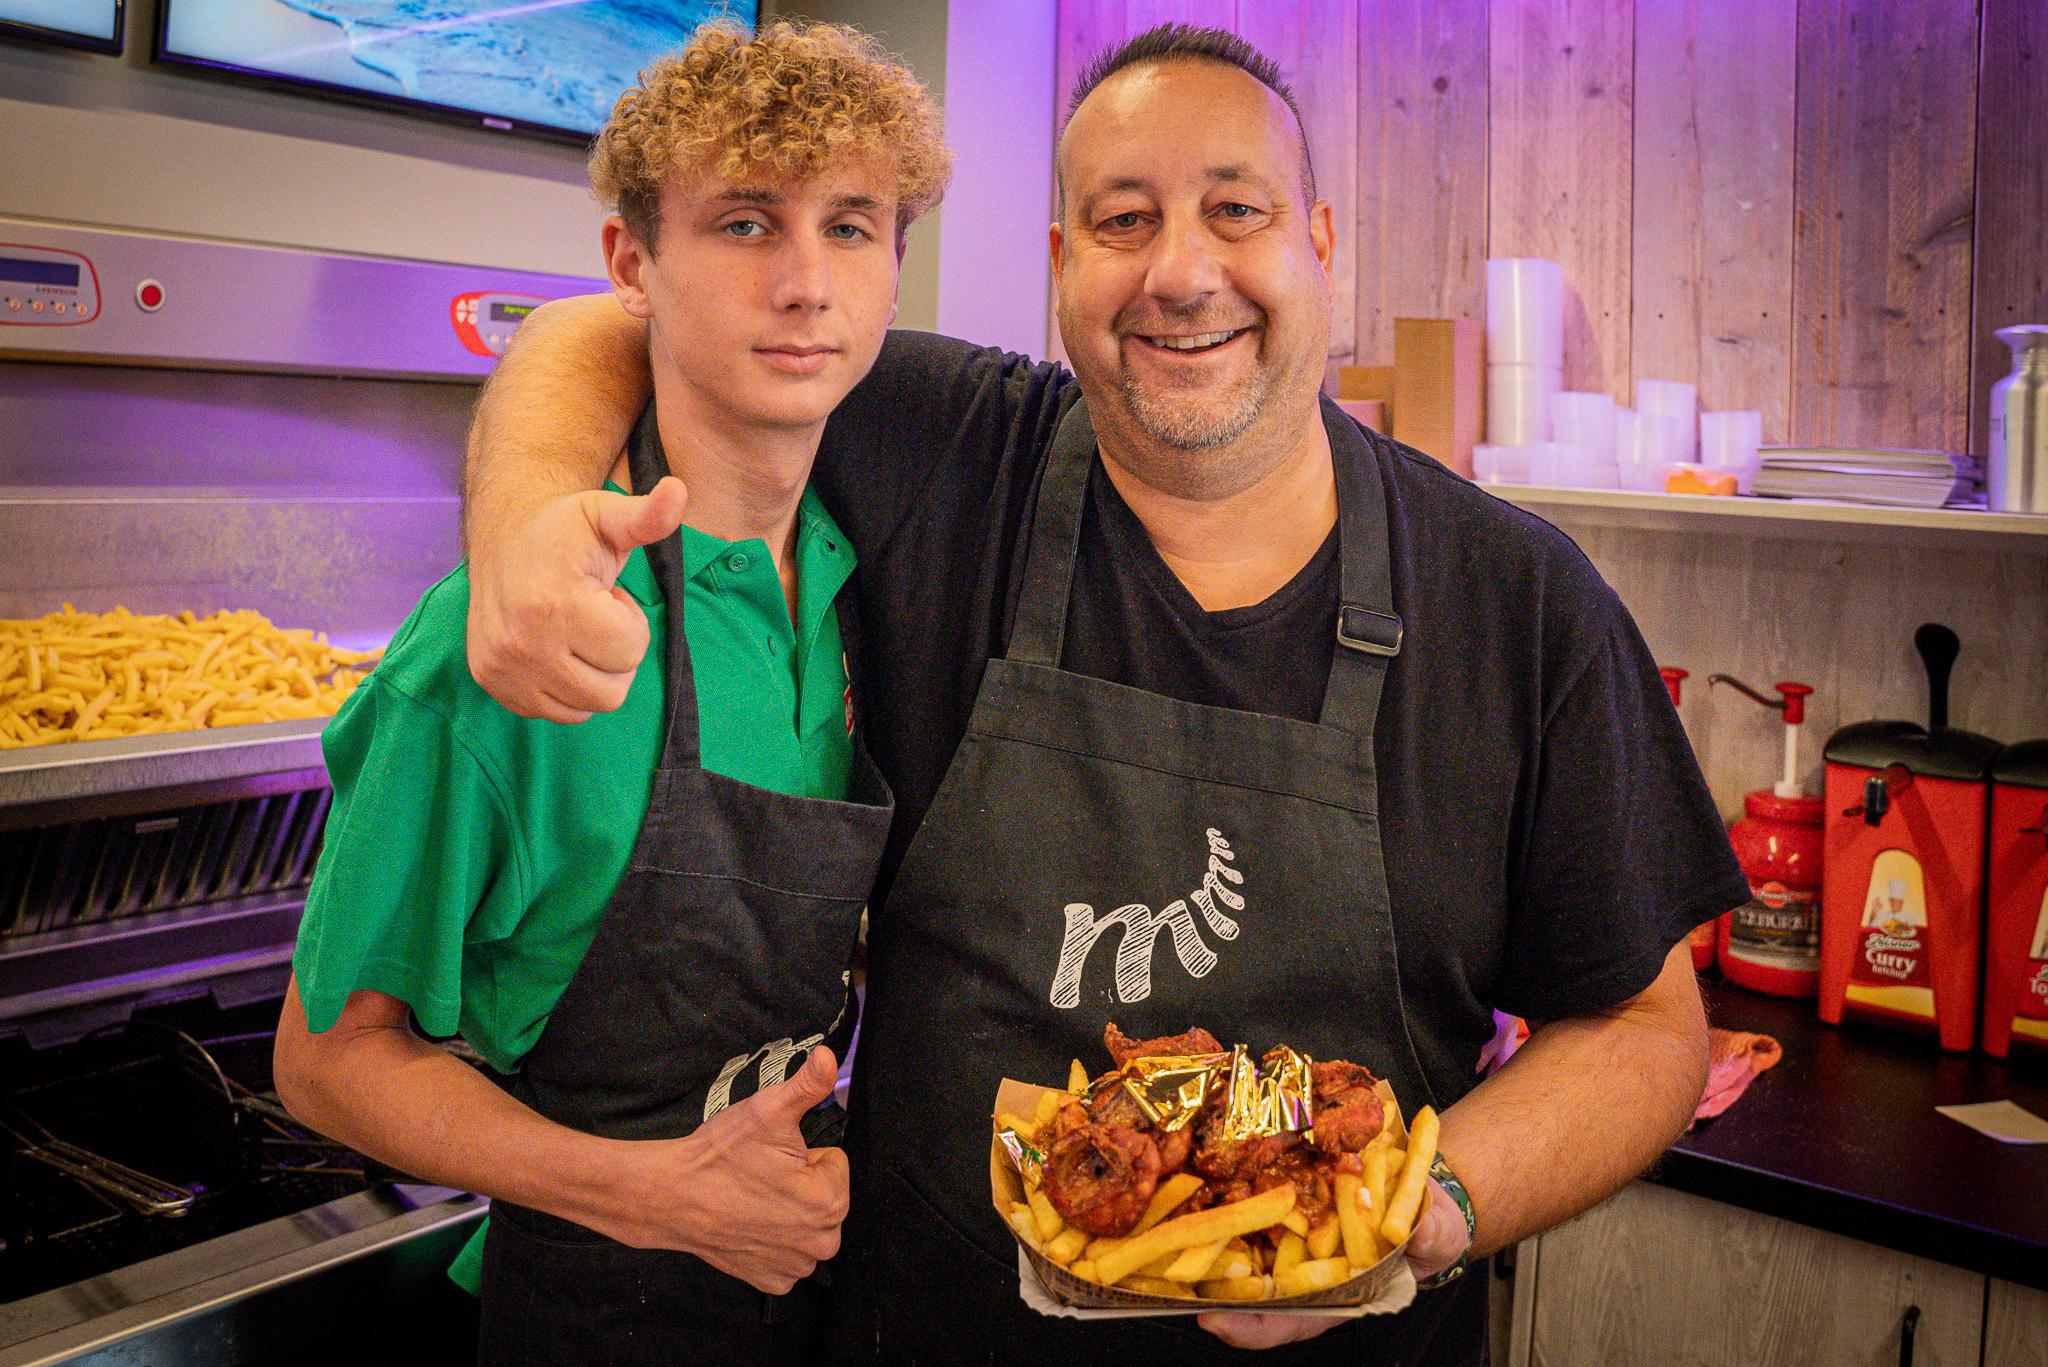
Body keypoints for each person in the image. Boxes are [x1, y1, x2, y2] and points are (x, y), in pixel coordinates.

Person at [458, 23, 1750, 1362]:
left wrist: (1429, 1211)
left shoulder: (1516, 599)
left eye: (1234, 211)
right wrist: (527, 522)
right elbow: (615, 324)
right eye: (1124, 221)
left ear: (1318, 240)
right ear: (1064, 263)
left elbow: (1646, 1029)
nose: (1183, 273)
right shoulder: (947, 448)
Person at [271, 20, 950, 1364]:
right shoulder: (511, 638)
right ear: (632, 263)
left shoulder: (863, 587)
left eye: (853, 227)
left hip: (819, 1304)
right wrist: (656, 1198)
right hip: (591, 1317)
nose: (808, 284)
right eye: (746, 224)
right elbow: (327, 1063)